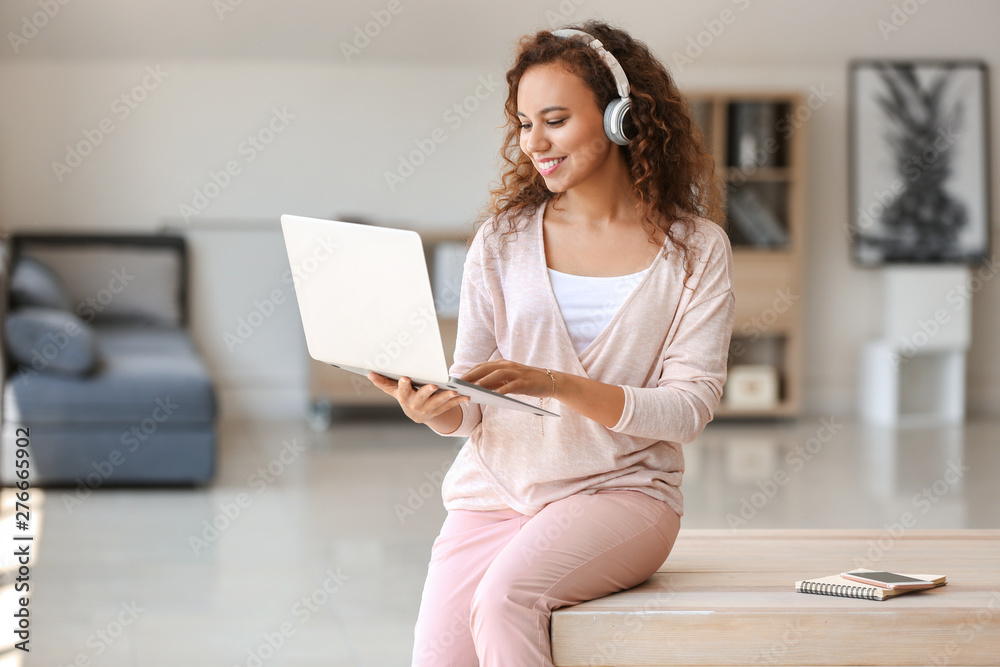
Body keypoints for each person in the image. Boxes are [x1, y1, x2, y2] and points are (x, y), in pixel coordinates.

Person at [368, 19, 734, 666]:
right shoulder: (503, 238)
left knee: (506, 598)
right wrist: (436, 408)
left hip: (623, 494)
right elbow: (473, 398)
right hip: (496, 492)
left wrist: (557, 383)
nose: (534, 142)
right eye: (523, 123)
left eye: (555, 120)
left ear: (622, 118)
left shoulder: (695, 248)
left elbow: (689, 408)